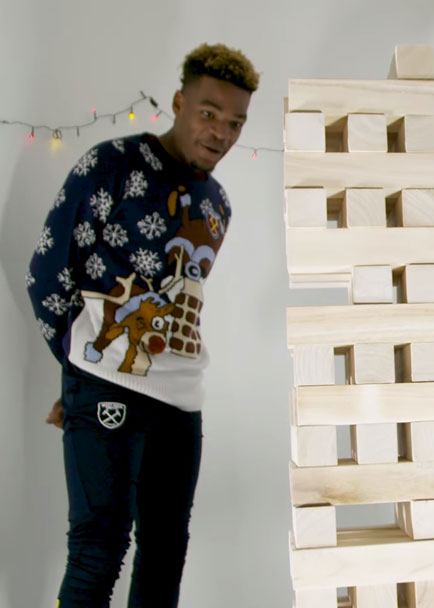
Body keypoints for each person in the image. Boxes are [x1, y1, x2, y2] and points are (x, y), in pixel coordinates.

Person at [27, 43, 257, 607]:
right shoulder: (110, 165)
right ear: (179, 102)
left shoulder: (218, 205)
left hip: (181, 403)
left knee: (165, 554)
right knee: (99, 550)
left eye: (235, 123)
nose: (221, 133)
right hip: (107, 385)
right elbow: (48, 270)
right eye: (208, 113)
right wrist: (79, 377)